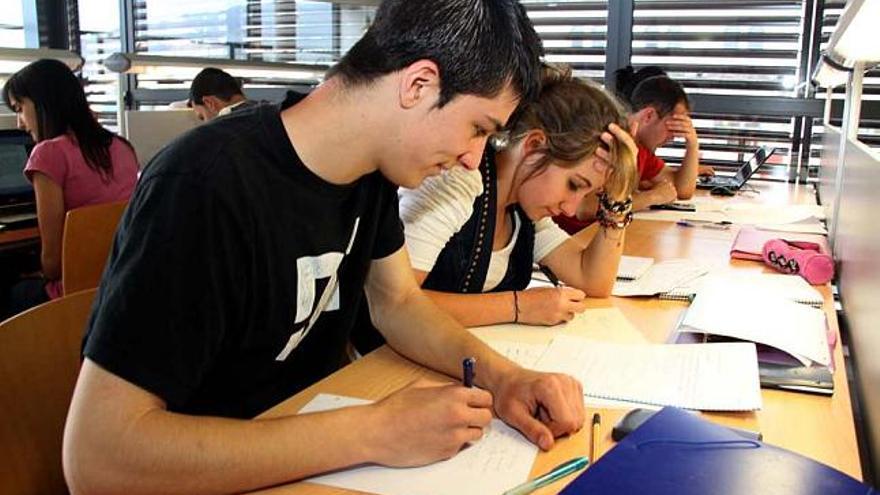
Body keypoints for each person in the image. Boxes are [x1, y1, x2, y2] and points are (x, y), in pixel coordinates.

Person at [62, 2, 586, 494]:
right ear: (419, 84)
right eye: (478, 128)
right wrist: (373, 431)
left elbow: (397, 302)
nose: (474, 159)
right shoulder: (206, 183)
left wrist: (506, 378)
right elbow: (97, 457)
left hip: (309, 453)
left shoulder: (370, 172)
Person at [351, 64, 637, 349]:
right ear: (535, 146)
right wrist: (517, 307)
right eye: (573, 184)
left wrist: (618, 198)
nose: (572, 209)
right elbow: (395, 301)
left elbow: (594, 281)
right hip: (382, 362)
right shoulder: (458, 182)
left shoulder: (524, 210)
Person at [1, 59, 139, 317]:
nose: (20, 123)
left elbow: (53, 267)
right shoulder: (122, 147)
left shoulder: (48, 153)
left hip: (72, 297)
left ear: (43, 103)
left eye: (20, 108)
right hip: (120, 284)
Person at [554, 66, 712, 233]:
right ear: (648, 115)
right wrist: (651, 197)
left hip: (604, 233)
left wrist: (692, 144)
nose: (674, 135)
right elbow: (584, 209)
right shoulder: (609, 138)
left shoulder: (641, 150)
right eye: (673, 125)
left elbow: (682, 190)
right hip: (574, 238)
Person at [188, 67, 258, 121]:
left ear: (209, 103)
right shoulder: (266, 110)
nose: (205, 122)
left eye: (202, 117)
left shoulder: (225, 130)